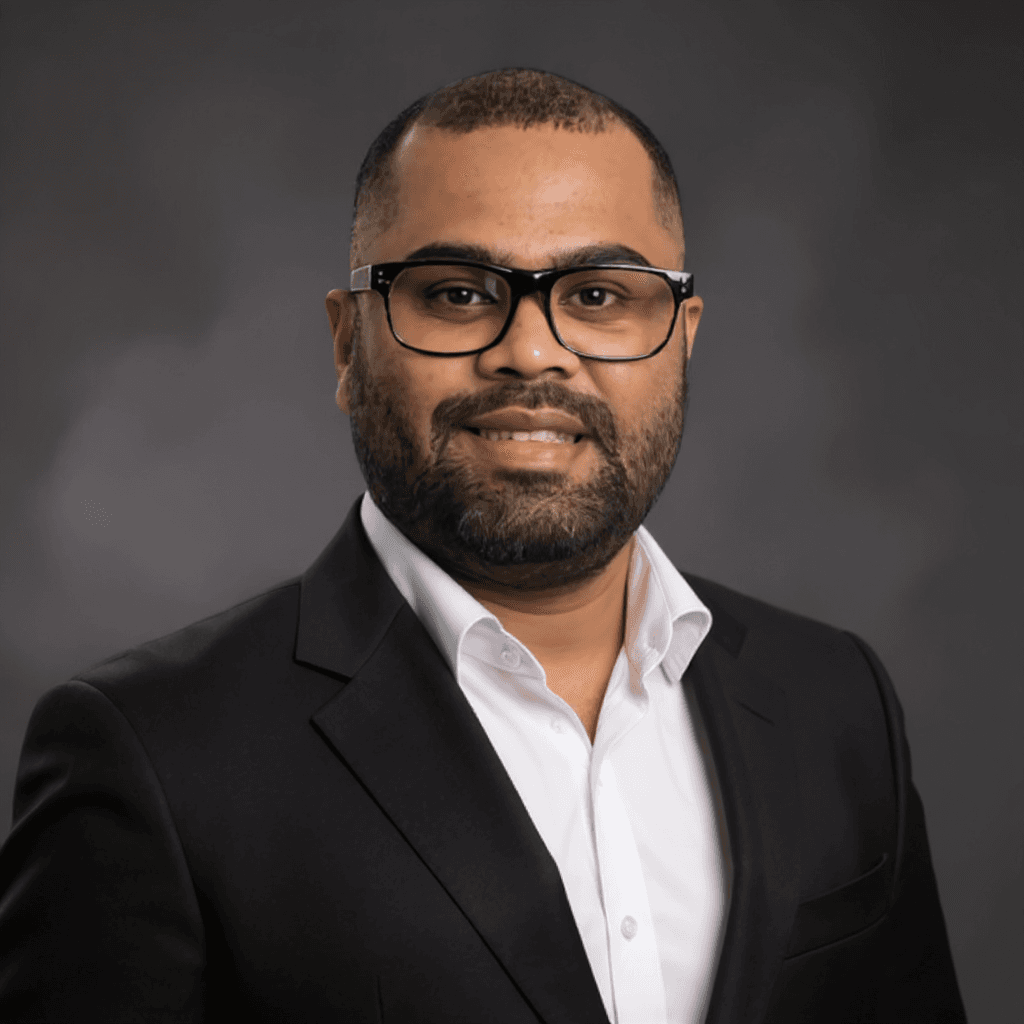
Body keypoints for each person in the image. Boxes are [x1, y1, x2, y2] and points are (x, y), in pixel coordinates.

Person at [0, 68, 965, 1024]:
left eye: (598, 295)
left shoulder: (835, 701)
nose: (532, 352)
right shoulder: (153, 753)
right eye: (459, 293)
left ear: (681, 338)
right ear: (347, 345)